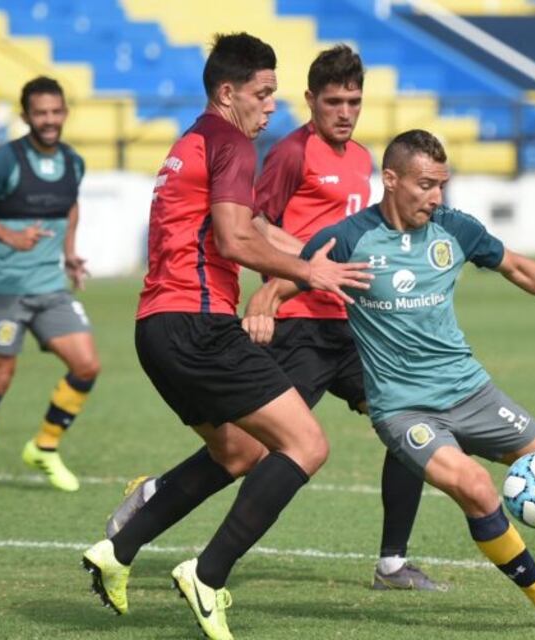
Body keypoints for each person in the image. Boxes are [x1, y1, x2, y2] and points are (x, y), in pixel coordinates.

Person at [254, 129, 535, 633]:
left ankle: (492, 533)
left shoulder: (454, 229)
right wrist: (261, 306)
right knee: (476, 487)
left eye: (442, 185)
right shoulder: (350, 237)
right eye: (426, 185)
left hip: (471, 392)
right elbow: (289, 276)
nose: (436, 197)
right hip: (404, 408)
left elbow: (518, 267)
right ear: (390, 180)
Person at [104, 45, 441, 591]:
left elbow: (332, 239)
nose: (345, 111)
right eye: (333, 101)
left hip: (349, 324)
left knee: (411, 415)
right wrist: (278, 290)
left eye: (354, 100)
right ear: (311, 101)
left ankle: (392, 561)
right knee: (255, 448)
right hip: (298, 324)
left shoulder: (360, 159)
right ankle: (163, 512)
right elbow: (247, 226)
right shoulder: (282, 153)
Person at [80, 33, 371, 640]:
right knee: (307, 445)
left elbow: (240, 233)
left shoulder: (192, 140)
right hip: (199, 324)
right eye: (263, 94)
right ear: (227, 92)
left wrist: (307, 257)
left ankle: (120, 548)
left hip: (156, 328)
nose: (271, 106)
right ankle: (208, 575)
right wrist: (309, 270)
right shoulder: (233, 144)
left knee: (238, 452)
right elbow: (238, 240)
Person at [0, 76, 99, 497]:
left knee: (86, 365)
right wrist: (9, 238)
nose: (49, 120)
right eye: (40, 113)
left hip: (51, 288)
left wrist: (69, 253)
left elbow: (70, 206)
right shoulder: (5, 160)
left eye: (55, 111)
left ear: (64, 112)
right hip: (6, 289)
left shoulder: (73, 161)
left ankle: (44, 446)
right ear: (25, 115)